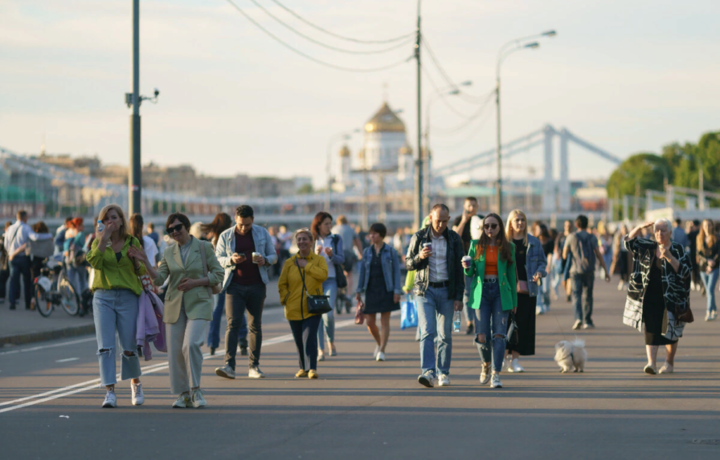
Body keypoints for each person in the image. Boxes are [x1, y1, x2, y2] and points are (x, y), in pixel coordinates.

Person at [132, 212, 223, 408]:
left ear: (187, 226)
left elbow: (218, 274)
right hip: (174, 305)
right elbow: (158, 279)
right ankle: (183, 394)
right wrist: (145, 261)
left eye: (178, 227)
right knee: (175, 352)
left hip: (199, 302)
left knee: (190, 345)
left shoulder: (203, 247)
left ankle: (196, 390)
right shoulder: (168, 251)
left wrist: (196, 282)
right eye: (170, 230)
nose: (174, 232)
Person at [86, 204, 146, 408]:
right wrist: (103, 238)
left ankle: (135, 383)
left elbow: (142, 270)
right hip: (103, 296)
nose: (110, 221)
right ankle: (109, 391)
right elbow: (94, 262)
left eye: (114, 217)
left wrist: (136, 260)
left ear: (121, 221)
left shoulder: (132, 241)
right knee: (105, 346)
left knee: (129, 345)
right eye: (106, 219)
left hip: (128, 296)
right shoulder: (99, 242)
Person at [214, 205, 277, 380]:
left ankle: (254, 367)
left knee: (255, 326)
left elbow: (274, 256)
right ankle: (229, 366)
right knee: (232, 324)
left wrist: (265, 260)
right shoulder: (226, 235)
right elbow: (217, 258)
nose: (243, 228)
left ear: (253, 221)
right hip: (234, 286)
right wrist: (230, 259)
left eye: (247, 225)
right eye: (241, 224)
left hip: (257, 285)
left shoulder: (262, 233)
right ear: (235, 219)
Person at [406, 204, 464, 388]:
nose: (440, 225)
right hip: (425, 290)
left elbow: (458, 270)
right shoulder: (419, 236)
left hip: (447, 290)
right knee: (427, 331)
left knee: (445, 334)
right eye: (438, 220)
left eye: (445, 221)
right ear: (431, 217)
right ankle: (428, 372)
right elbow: (408, 263)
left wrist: (458, 297)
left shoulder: (454, 239)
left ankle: (443, 372)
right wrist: (420, 257)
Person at [623, 219, 690, 374]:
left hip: (672, 297)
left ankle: (669, 363)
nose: (659, 233)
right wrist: (639, 227)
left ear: (670, 233)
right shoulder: (648, 246)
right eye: (657, 230)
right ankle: (651, 363)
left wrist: (670, 258)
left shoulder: (678, 249)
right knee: (651, 329)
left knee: (671, 331)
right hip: (649, 295)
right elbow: (628, 243)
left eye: (663, 230)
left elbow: (686, 272)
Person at [464, 213, 517, 388]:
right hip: (482, 292)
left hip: (501, 293)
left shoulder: (508, 247)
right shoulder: (475, 245)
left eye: (493, 226)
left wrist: (514, 301)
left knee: (500, 334)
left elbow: (511, 276)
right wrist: (467, 267)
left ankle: (496, 373)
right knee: (482, 335)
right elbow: (470, 274)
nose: (489, 229)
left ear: (500, 227)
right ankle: (485, 363)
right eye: (486, 226)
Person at [278, 228, 328, 379]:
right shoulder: (289, 262)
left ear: (311, 242)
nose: (302, 242)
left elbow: (323, 276)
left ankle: (312, 367)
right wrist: (285, 299)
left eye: (305, 239)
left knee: (309, 337)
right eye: (299, 239)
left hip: (313, 306)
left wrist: (307, 266)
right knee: (299, 340)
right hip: (293, 308)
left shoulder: (319, 260)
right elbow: (282, 284)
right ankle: (302, 368)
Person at [504, 210, 547, 373]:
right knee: (504, 323)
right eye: (516, 220)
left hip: (527, 290)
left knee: (521, 325)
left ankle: (515, 360)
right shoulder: (504, 242)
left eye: (522, 220)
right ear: (510, 222)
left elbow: (542, 263)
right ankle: (502, 358)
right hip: (506, 289)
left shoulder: (533, 242)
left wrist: (539, 273)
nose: (520, 223)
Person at [355, 223, 402, 361]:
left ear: (381, 235)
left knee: (384, 321)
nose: (371, 236)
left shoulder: (391, 251)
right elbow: (362, 272)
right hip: (371, 289)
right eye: (371, 233)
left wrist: (397, 291)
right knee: (369, 321)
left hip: (386, 289)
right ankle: (379, 342)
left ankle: (382, 350)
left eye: (374, 233)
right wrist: (358, 290)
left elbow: (397, 272)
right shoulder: (367, 252)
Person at [204, 213, 248, 355]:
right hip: (232, 276)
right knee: (238, 310)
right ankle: (242, 340)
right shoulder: (230, 238)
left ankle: (212, 343)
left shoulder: (213, 241)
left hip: (218, 278)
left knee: (217, 311)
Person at [563, 215, 610, 330]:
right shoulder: (592, 237)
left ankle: (578, 318)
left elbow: (564, 255)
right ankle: (588, 320)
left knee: (576, 295)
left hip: (575, 270)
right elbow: (598, 254)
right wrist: (605, 271)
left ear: (576, 225)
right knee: (588, 295)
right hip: (589, 270)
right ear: (587, 224)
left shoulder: (571, 237)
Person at [311, 212, 345, 360]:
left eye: (330, 223)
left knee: (328, 314)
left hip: (331, 280)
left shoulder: (336, 239)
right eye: (326, 224)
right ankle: (320, 349)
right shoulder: (311, 239)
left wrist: (331, 255)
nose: (329, 226)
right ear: (318, 225)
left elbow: (341, 259)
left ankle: (331, 341)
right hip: (315, 281)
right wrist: (315, 254)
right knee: (317, 316)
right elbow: (303, 260)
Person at [5, 210, 52, 310]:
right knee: (27, 281)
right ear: (24, 217)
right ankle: (27, 303)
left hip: (12, 257)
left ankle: (12, 303)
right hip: (23, 257)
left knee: (13, 280)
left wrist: (11, 253)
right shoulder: (26, 228)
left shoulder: (10, 228)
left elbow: (6, 244)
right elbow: (35, 237)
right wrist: (49, 236)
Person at [452, 197, 484, 335]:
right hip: (463, 262)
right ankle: (469, 321)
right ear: (464, 206)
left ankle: (479, 320)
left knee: (479, 291)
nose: (471, 208)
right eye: (468, 206)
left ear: (477, 206)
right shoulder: (459, 220)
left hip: (479, 261)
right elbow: (454, 236)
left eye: (473, 205)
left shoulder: (482, 219)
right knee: (466, 293)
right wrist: (464, 221)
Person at [332, 215, 363, 306]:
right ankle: (348, 295)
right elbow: (358, 241)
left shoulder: (333, 229)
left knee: (337, 272)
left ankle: (338, 291)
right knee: (349, 274)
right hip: (347, 254)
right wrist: (361, 253)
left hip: (336, 254)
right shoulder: (350, 229)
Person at [696, 219, 719, 321]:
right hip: (703, 268)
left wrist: (712, 263)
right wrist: (707, 262)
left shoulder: (717, 238)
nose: (707, 227)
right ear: (702, 226)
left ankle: (709, 311)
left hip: (715, 267)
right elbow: (698, 254)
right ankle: (714, 309)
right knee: (709, 291)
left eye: (709, 225)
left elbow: (719, 252)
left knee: (710, 289)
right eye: (705, 225)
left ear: (712, 226)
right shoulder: (699, 238)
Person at [534, 222, 554, 315]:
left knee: (546, 288)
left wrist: (548, 266)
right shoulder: (534, 240)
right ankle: (539, 306)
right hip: (536, 266)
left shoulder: (549, 241)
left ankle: (546, 303)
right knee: (538, 287)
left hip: (545, 264)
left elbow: (550, 255)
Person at [610, 224, 631, 291]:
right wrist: (615, 254)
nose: (624, 230)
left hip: (627, 253)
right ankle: (621, 281)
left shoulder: (629, 236)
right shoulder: (619, 236)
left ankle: (627, 281)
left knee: (627, 268)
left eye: (625, 229)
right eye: (623, 229)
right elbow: (615, 245)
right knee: (621, 268)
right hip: (620, 253)